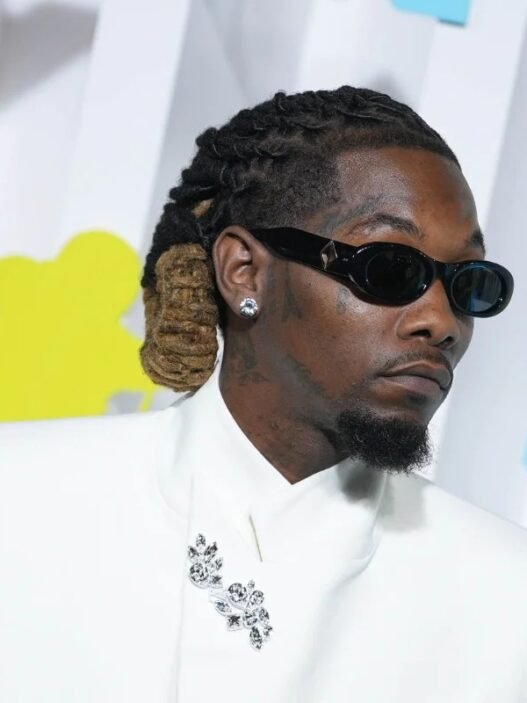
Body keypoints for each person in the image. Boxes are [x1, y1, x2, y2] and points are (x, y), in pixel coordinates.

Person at [1, 86, 525, 702]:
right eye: (388, 268)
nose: (441, 321)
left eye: (470, 284)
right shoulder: (21, 497)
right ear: (244, 271)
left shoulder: (506, 593)